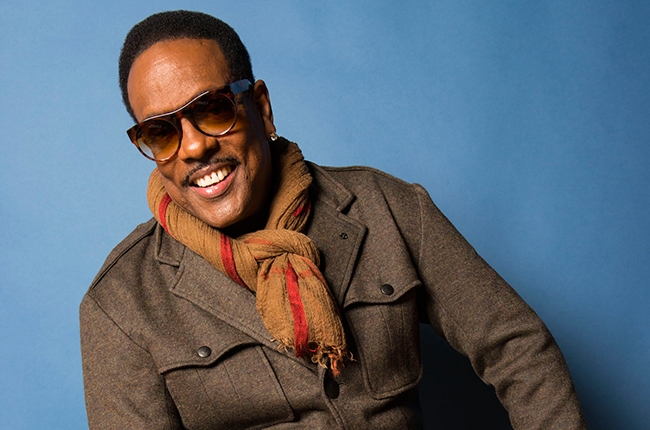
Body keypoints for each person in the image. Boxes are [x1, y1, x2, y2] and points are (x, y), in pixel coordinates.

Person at [80, 10, 586, 429]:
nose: (193, 147)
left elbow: (518, 348)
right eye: (161, 132)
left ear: (261, 107)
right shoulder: (121, 302)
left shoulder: (385, 206)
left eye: (213, 109)